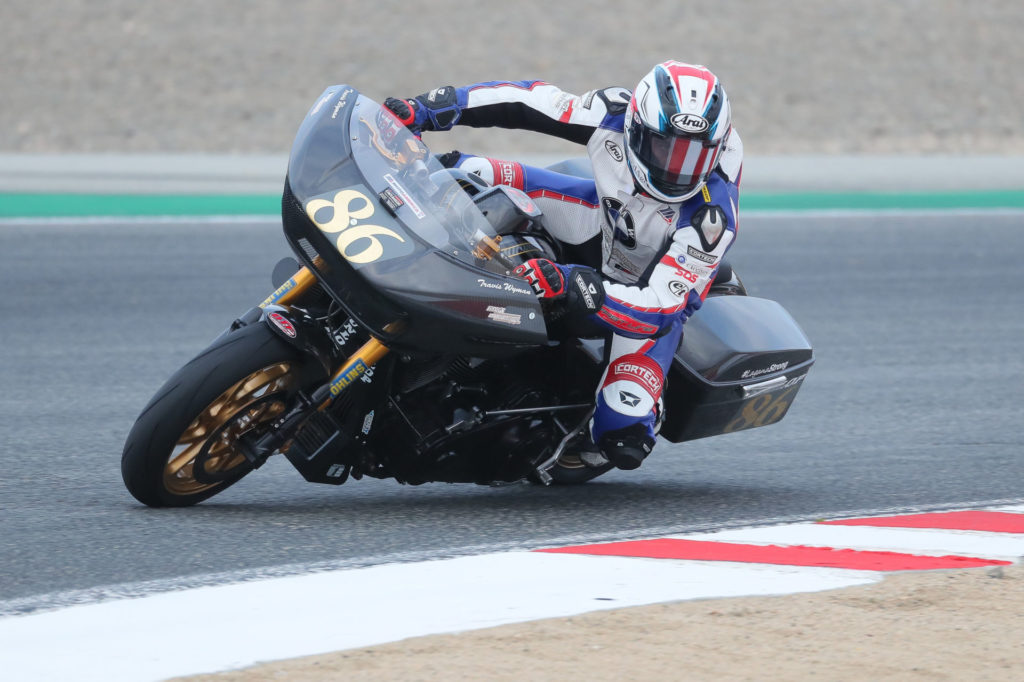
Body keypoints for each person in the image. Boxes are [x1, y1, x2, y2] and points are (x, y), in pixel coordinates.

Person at [384, 61, 742, 471]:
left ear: (716, 146)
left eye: (695, 155)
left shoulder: (712, 218)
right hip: (601, 219)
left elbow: (660, 308)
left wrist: (575, 285)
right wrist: (431, 108)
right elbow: (526, 100)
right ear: (637, 128)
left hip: (643, 284)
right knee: (462, 171)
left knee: (622, 436)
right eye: (667, 148)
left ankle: (626, 413)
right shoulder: (613, 113)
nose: (677, 168)